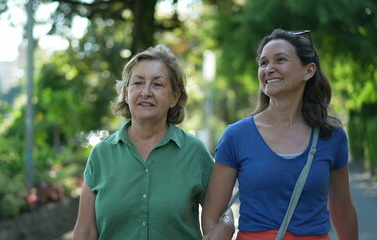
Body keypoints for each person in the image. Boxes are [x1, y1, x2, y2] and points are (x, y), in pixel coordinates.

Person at [202, 29, 358, 240]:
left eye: (280, 60)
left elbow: (343, 210)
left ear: (308, 71)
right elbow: (212, 214)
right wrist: (226, 224)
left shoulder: (331, 136)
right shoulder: (237, 135)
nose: (269, 69)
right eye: (263, 63)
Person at [72, 44, 233, 240]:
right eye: (138, 83)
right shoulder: (101, 154)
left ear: (174, 97)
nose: (146, 92)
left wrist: (227, 224)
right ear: (126, 92)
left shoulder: (194, 152)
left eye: (157, 84)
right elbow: (85, 233)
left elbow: (221, 210)